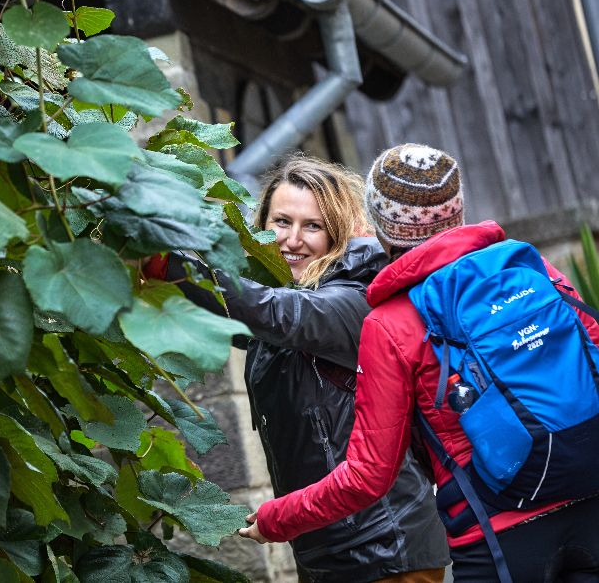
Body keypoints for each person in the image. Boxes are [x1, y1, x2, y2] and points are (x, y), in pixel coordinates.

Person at [240, 144, 599, 582]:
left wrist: (276, 518)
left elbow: (368, 475)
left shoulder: (391, 323)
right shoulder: (531, 268)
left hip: (495, 537)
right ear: (458, 211)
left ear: (375, 223)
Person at [149, 155, 449, 582]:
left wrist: (168, 262)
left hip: (385, 542)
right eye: (280, 222)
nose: (292, 240)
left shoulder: (358, 298)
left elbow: (279, 315)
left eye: (312, 226)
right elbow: (234, 318)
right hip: (320, 544)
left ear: (339, 231)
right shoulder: (289, 300)